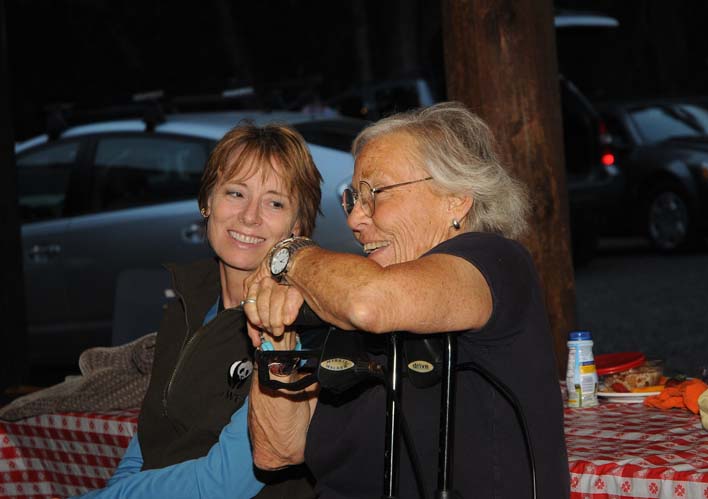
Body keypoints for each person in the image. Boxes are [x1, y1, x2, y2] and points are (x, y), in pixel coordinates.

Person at [243, 102, 570, 498]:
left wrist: (290, 254)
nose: (354, 219)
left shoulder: (493, 262)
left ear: (456, 198)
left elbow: (370, 301)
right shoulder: (359, 300)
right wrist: (272, 331)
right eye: (352, 198)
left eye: (375, 193)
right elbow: (278, 451)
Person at [77, 123, 320, 498]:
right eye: (236, 193)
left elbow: (224, 483)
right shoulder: (188, 302)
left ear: (298, 226)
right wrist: (115, 490)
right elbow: (148, 436)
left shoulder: (296, 326)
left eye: (275, 202)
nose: (249, 217)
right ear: (207, 201)